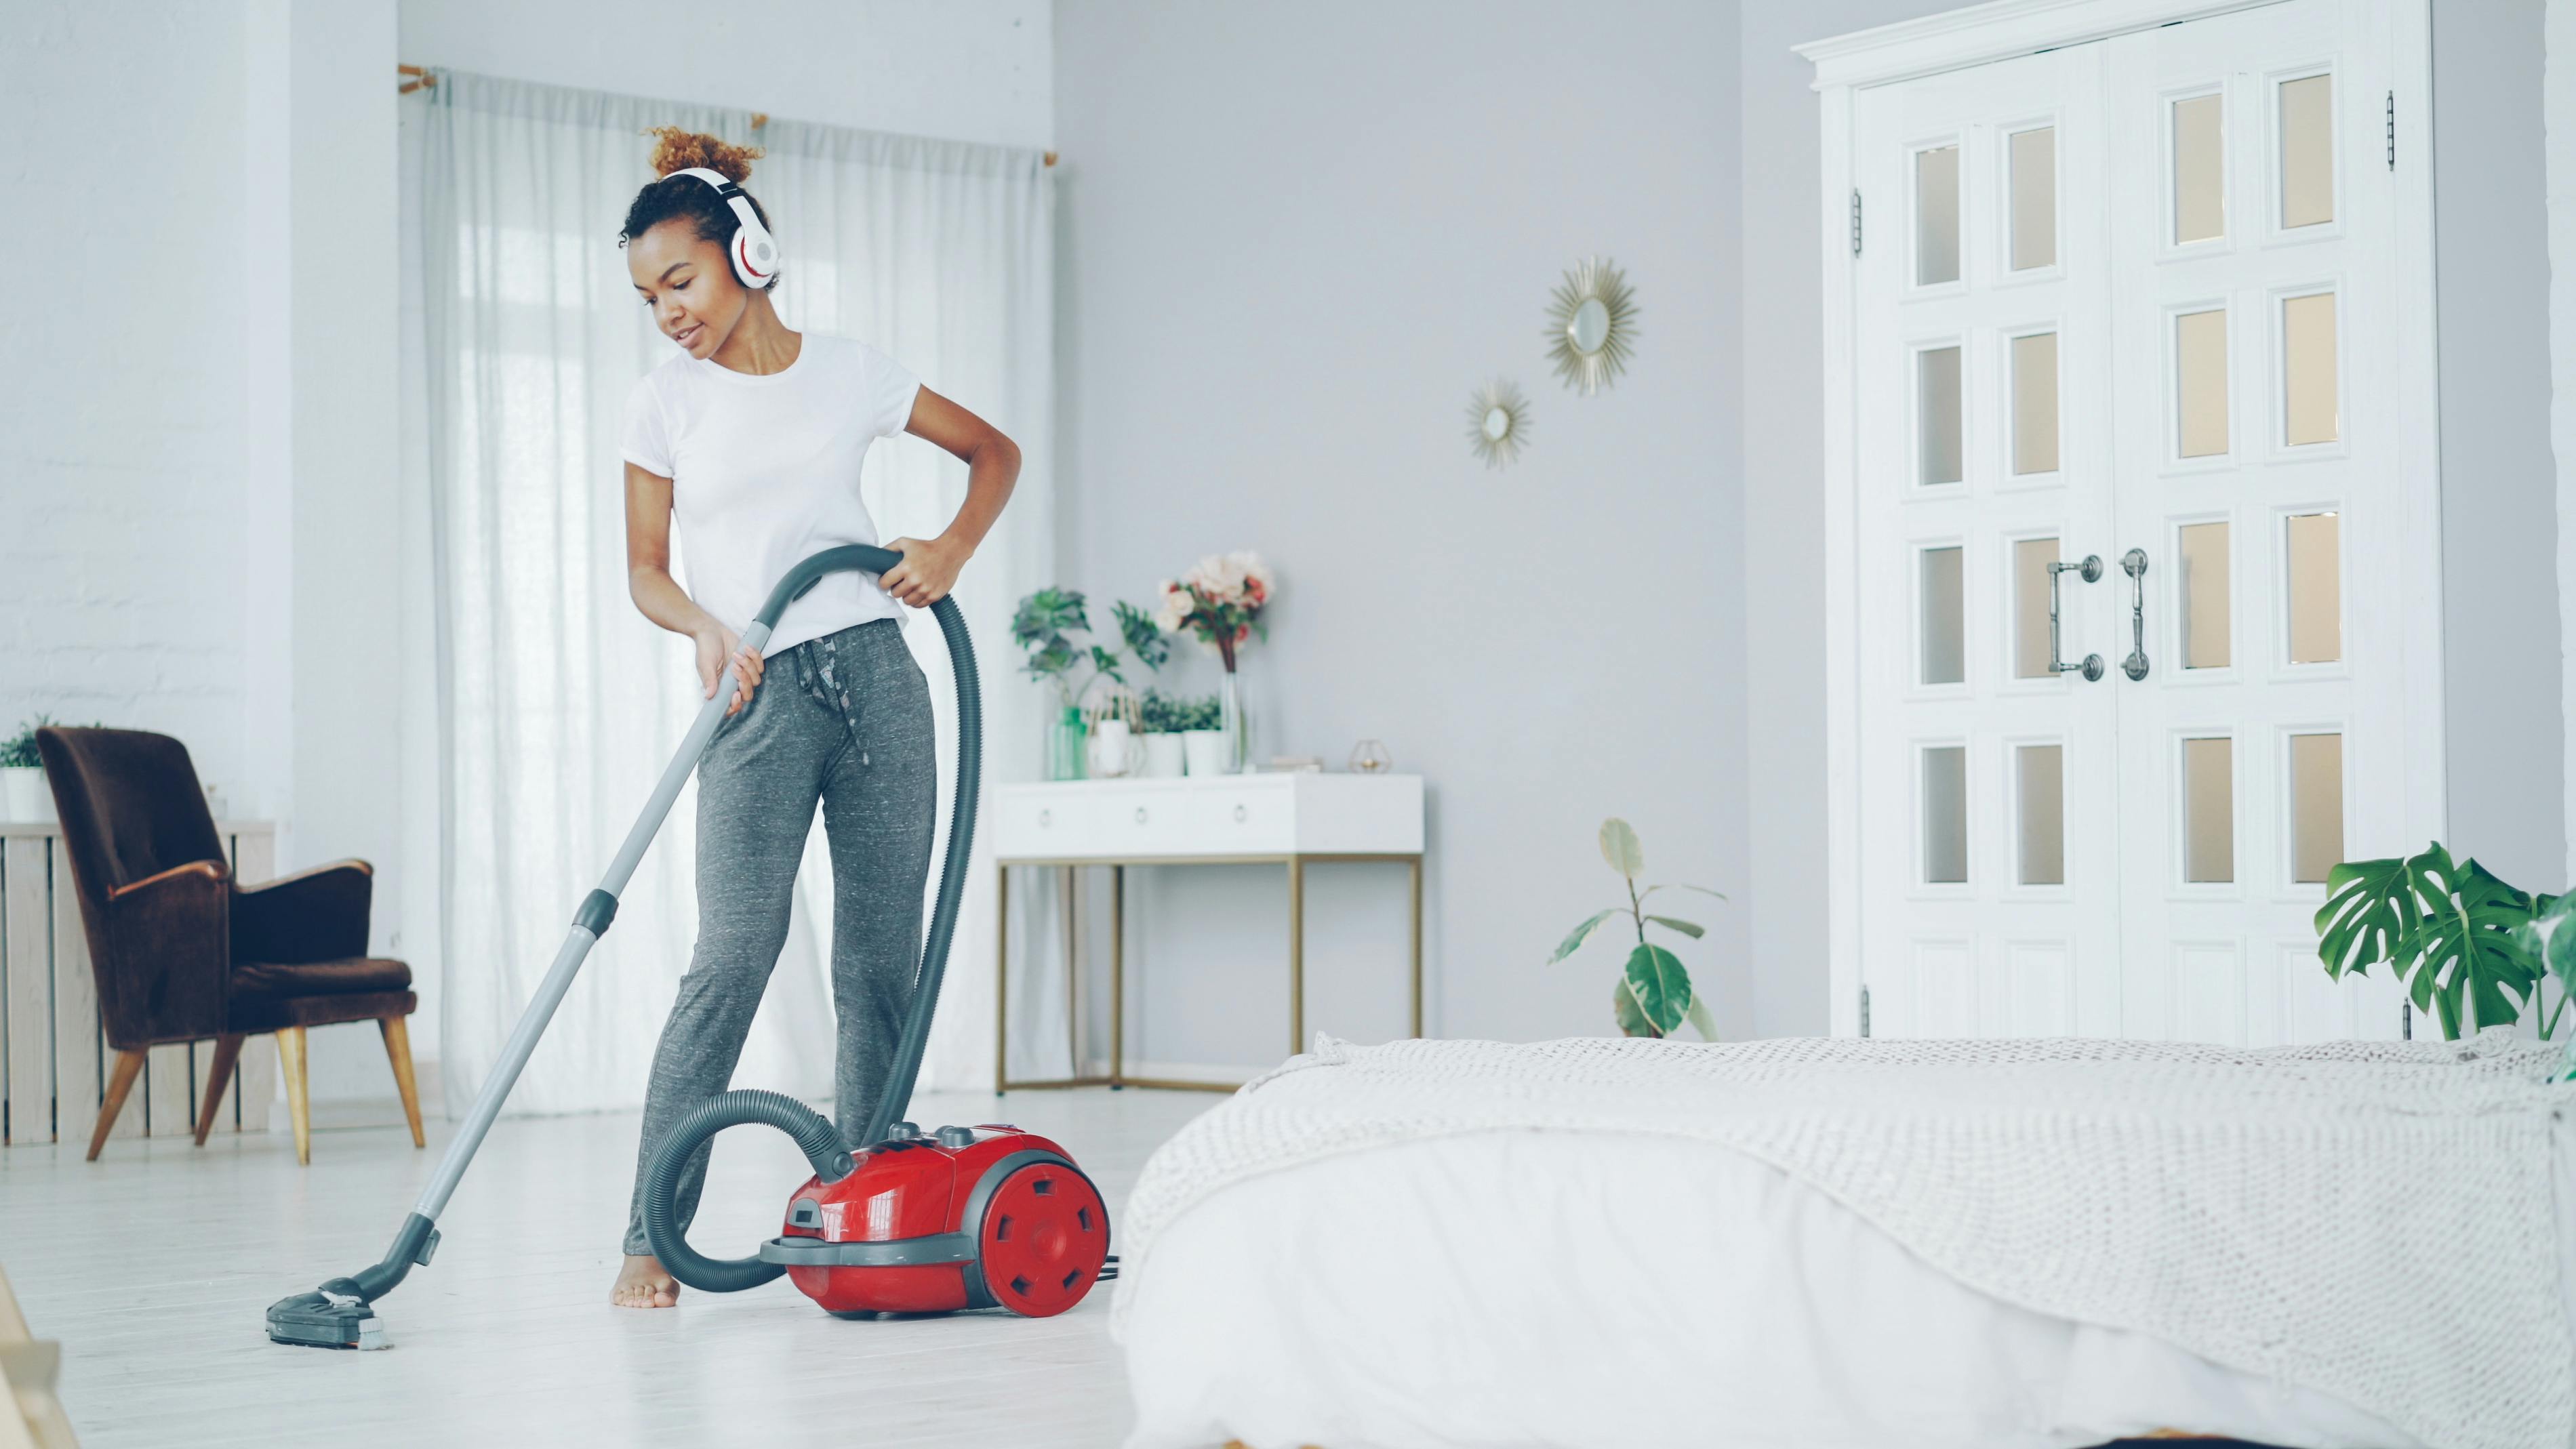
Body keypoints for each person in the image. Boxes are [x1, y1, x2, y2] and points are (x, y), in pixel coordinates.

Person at [610, 127, 1020, 1309]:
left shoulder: (849, 370)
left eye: (678, 281)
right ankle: (650, 1232)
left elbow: (993, 453)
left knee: (877, 958)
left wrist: (946, 547)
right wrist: (699, 625)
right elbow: (646, 568)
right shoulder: (662, 404)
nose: (667, 312)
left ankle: (871, 1200)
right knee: (731, 956)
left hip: (881, 678)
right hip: (756, 688)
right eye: (647, 297)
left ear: (747, 251)